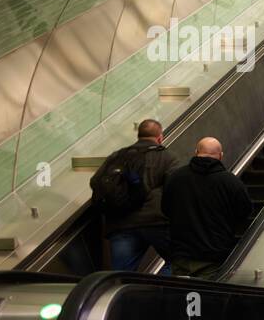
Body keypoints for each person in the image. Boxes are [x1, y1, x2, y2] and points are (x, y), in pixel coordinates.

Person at [91, 119, 181, 274]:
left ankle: (125, 297)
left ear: (139, 136)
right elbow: (176, 189)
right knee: (179, 261)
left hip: (120, 223)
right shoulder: (167, 157)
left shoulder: (117, 156)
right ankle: (160, 293)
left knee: (121, 275)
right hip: (156, 222)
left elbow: (95, 182)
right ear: (160, 137)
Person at [161, 137, 253, 278]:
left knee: (181, 297)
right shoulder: (231, 182)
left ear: (196, 152)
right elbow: (245, 213)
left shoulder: (176, 178)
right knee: (206, 296)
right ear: (221, 155)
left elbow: (166, 209)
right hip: (214, 257)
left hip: (181, 255)